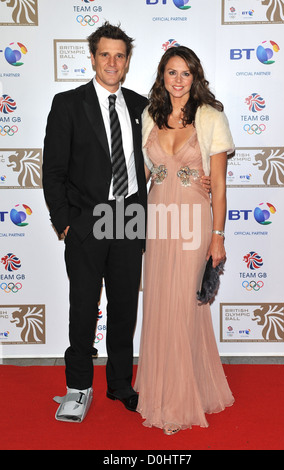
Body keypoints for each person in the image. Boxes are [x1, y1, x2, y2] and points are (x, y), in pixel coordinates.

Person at [42, 22, 149, 422]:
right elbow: (52, 171)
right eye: (105, 54)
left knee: (124, 308)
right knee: (83, 309)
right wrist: (65, 222)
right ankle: (78, 388)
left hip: (130, 216)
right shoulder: (68, 103)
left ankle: (121, 384)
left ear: (126, 62)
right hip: (87, 221)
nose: (112, 62)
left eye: (119, 55)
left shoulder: (140, 106)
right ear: (92, 57)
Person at [134, 46, 235, 435]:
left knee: (182, 305)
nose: (178, 80)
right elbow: (141, 174)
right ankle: (160, 392)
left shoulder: (210, 117)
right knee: (160, 303)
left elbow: (220, 184)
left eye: (185, 73)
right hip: (160, 221)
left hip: (194, 220)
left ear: (196, 77)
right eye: (171, 73)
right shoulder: (149, 115)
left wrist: (218, 237)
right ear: (162, 76)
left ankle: (178, 401)